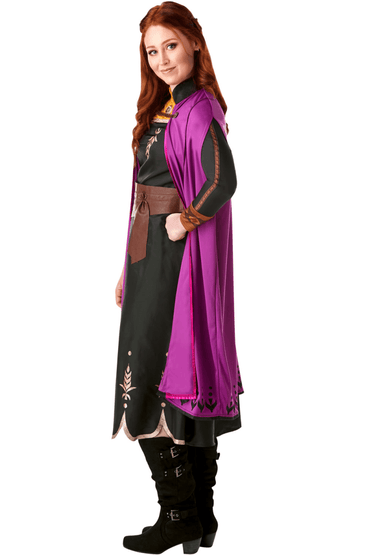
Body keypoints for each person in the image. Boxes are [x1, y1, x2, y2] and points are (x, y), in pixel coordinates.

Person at [112, 2, 243, 553]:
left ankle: (180, 514)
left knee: (152, 376)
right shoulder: (166, 107)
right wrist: (127, 265)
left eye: (171, 45)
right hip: (147, 259)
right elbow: (140, 195)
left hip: (173, 263)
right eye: (152, 51)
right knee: (161, 373)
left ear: (193, 43)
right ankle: (200, 516)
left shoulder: (198, 108)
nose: (162, 59)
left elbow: (222, 182)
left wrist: (183, 221)